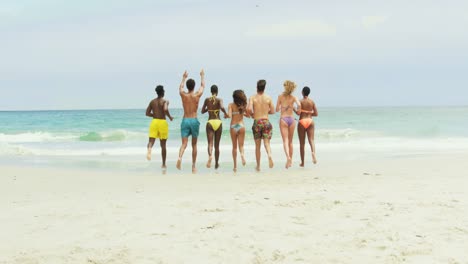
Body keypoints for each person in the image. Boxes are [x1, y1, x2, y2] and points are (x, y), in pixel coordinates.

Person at [176, 69, 205, 173]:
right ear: (194, 86)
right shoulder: (197, 95)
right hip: (194, 120)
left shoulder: (183, 95)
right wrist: (202, 75)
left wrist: (183, 77)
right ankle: (193, 167)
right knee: (194, 145)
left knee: (184, 144)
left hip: (185, 120)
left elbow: (180, 88)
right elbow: (202, 86)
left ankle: (179, 158)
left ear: (188, 86)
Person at [247, 79, 275, 171]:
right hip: (266, 122)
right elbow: (273, 111)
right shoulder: (268, 98)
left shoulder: (252, 98)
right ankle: (270, 155)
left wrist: (252, 114)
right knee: (266, 143)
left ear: (256, 87)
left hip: (257, 122)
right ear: (264, 88)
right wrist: (265, 112)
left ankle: (258, 166)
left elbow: (249, 109)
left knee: (257, 146)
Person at [146, 85, 174, 168]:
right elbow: (165, 109)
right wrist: (170, 117)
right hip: (162, 122)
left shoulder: (152, 102)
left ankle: (150, 149)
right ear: (162, 92)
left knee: (151, 141)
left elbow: (147, 113)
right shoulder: (165, 101)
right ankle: (164, 164)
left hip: (154, 122)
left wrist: (154, 114)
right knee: (163, 145)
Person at [201, 85, 227, 169]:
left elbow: (202, 111)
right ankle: (216, 164)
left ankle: (210, 156)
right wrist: (226, 113)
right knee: (217, 145)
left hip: (210, 122)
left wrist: (208, 109)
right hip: (218, 122)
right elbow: (222, 107)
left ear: (210, 91)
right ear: (217, 91)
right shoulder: (219, 100)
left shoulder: (207, 100)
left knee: (210, 143)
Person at [276, 80, 301, 168]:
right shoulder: (294, 97)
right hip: (291, 119)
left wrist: (283, 107)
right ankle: (290, 161)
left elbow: (276, 109)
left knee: (285, 141)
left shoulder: (280, 96)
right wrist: (297, 110)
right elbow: (299, 105)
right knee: (290, 142)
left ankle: (288, 157)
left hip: (283, 119)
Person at [295, 86, 318, 166]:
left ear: (302, 92)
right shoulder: (312, 102)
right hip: (310, 121)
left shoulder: (300, 101)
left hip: (302, 121)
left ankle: (302, 163)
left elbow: (298, 113)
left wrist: (294, 109)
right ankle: (313, 153)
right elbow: (316, 114)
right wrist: (309, 112)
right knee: (311, 140)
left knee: (302, 144)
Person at [227, 90, 248, 172]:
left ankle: (235, 166)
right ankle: (242, 155)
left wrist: (226, 115)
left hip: (233, 126)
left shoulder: (231, 105)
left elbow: (229, 116)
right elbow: (246, 114)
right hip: (241, 125)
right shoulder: (244, 105)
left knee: (234, 147)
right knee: (241, 146)